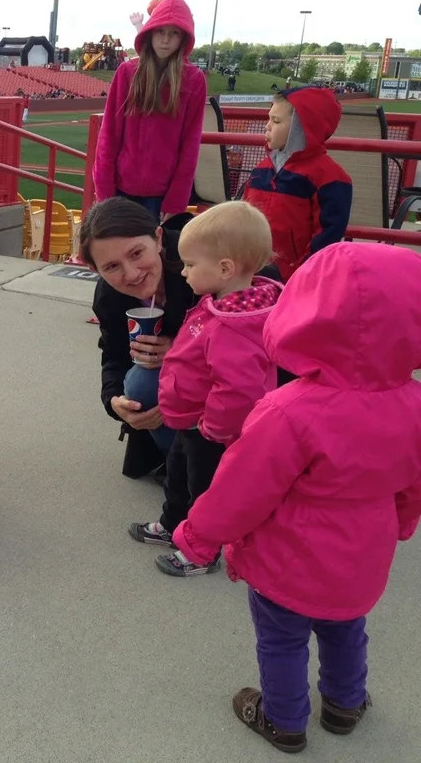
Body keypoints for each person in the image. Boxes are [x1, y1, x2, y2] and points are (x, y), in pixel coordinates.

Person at [171, 242, 421, 753]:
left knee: (282, 638)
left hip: (289, 557)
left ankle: (284, 720)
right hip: (364, 551)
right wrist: (400, 520)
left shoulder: (288, 410)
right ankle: (345, 703)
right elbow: (413, 481)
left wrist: (197, 537)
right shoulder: (413, 403)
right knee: (346, 627)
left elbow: (242, 490)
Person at [127, 201, 282, 577]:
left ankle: (202, 550)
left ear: (225, 269)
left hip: (210, 429)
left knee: (206, 490)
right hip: (192, 421)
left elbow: (238, 388)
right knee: (178, 473)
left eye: (192, 266)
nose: (184, 274)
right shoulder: (219, 305)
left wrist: (212, 426)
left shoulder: (234, 326)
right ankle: (173, 524)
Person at [81, 197, 196, 479]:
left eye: (136, 254)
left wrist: (182, 350)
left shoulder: (202, 258)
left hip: (237, 381)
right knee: (140, 383)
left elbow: (253, 337)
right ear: (96, 271)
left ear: (158, 238)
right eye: (111, 267)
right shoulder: (109, 298)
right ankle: (179, 465)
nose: (131, 274)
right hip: (177, 393)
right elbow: (114, 355)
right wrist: (115, 402)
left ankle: (208, 463)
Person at [93, 0, 207, 222]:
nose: (165, 40)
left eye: (174, 33)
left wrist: (177, 198)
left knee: (149, 255)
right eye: (160, 31)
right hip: (119, 189)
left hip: (161, 196)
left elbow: (190, 143)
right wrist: (104, 191)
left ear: (184, 37)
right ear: (149, 32)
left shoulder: (194, 79)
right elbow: (109, 134)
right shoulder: (127, 72)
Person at [242, 87, 352, 281]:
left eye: (275, 121)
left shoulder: (331, 178)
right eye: (269, 118)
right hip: (250, 272)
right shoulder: (261, 170)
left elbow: (326, 237)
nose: (266, 126)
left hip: (293, 278)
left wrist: (301, 276)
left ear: (301, 128)